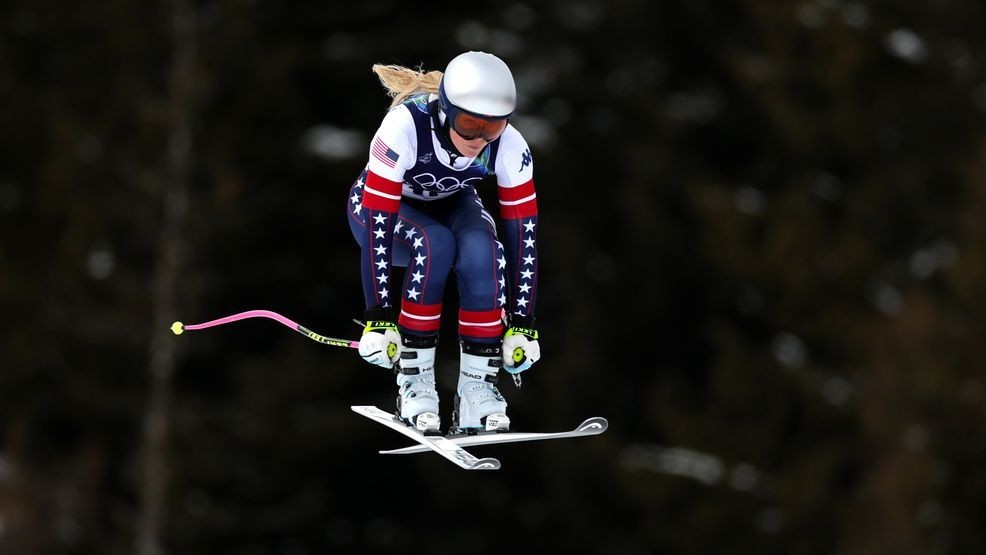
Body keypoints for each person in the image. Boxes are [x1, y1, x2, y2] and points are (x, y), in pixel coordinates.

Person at [346, 51, 541, 434]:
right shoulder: (403, 128)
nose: (479, 139)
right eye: (468, 124)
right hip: (380, 213)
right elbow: (379, 223)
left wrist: (523, 323)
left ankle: (477, 391)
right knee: (434, 244)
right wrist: (378, 318)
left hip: (452, 204)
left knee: (482, 249)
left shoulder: (510, 145)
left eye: (493, 126)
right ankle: (415, 383)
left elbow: (525, 235)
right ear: (446, 111)